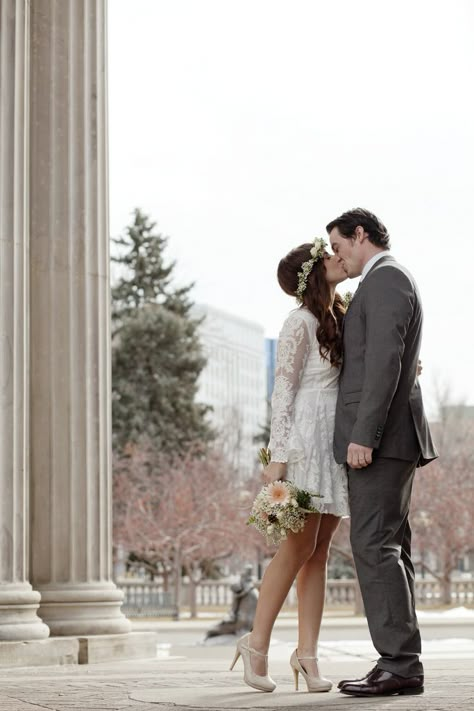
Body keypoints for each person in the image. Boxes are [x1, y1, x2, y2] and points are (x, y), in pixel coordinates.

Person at [327, 208, 438, 698]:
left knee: (374, 546)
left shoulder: (387, 279)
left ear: (359, 235)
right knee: (390, 547)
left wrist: (364, 435)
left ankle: (399, 664)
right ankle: (400, 662)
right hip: (391, 438)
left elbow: (386, 362)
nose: (338, 258)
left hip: (382, 440)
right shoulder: (384, 281)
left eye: (339, 247)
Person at [230, 238, 349, 692]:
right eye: (328, 255)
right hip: (304, 444)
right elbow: (282, 391)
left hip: (334, 444)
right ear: (313, 273)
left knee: (318, 554)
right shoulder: (297, 322)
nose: (337, 258)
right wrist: (278, 457)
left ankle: (307, 656)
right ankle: (256, 645)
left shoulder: (336, 317)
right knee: (297, 548)